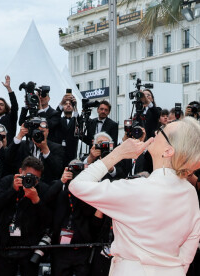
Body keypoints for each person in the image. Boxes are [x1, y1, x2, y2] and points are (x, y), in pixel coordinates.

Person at [69, 117, 200, 276]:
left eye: (162, 132)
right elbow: (189, 249)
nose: (155, 132)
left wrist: (118, 153)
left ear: (168, 151)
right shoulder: (190, 192)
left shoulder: (137, 189)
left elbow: (77, 185)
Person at [0, 156, 52, 276]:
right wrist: (12, 189)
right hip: (6, 244)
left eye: (35, 178)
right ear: (20, 172)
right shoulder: (8, 181)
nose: (31, 180)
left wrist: (36, 200)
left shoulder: (43, 189)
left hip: (30, 246)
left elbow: (48, 220)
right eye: (28, 176)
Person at [6, 119, 64, 184]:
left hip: (45, 187)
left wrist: (46, 151)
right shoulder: (23, 145)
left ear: (47, 131)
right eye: (36, 132)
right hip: (24, 184)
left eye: (42, 131)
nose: (39, 134)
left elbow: (58, 171)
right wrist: (19, 135)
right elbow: (7, 158)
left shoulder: (56, 147)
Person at [0, 75, 19, 145]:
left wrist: (9, 88)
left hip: (8, 150)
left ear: (6, 108)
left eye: (1, 104)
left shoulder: (11, 117)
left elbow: (15, 106)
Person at [56, 94, 79, 166]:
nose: (68, 105)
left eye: (70, 104)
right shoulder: (58, 120)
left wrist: (75, 106)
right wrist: (61, 102)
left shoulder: (76, 120)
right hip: (58, 155)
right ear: (63, 107)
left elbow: (79, 121)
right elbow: (55, 116)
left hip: (72, 155)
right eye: (66, 104)